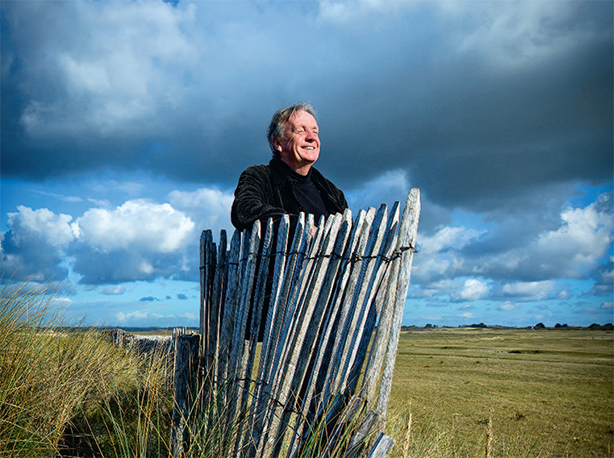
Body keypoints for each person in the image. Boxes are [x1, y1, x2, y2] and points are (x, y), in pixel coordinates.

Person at [231, 102, 348, 234]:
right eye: (300, 131)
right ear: (278, 143)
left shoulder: (331, 191)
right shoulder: (259, 176)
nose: (311, 137)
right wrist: (304, 231)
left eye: (315, 132)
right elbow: (245, 211)